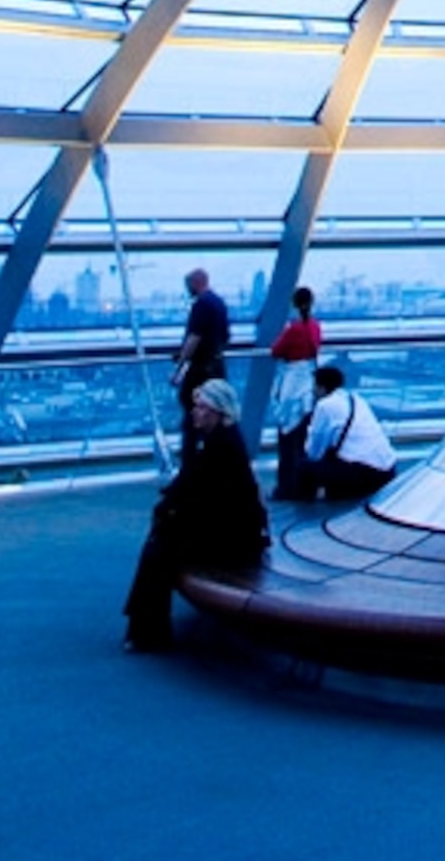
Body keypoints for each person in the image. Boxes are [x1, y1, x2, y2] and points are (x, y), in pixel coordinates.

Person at [123, 378, 270, 652]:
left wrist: (169, 511)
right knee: (159, 545)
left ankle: (148, 630)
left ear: (218, 411)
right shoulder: (218, 440)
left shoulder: (221, 447)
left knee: (159, 551)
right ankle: (147, 628)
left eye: (201, 407)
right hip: (228, 529)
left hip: (233, 539)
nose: (195, 412)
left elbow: (208, 498)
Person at [298, 365, 396, 500]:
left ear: (321, 387)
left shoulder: (325, 405)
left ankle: (304, 509)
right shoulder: (357, 399)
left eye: (314, 386)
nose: (312, 391)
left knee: (304, 467)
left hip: (363, 473)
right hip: (387, 470)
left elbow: (314, 450)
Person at [267, 285, 323, 502]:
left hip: (292, 382)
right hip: (308, 382)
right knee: (303, 437)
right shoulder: (315, 327)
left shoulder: (293, 329)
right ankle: (304, 485)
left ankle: (287, 486)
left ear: (294, 304)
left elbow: (276, 351)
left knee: (287, 436)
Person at [171, 268, 231, 443]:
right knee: (215, 412)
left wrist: (179, 368)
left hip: (201, 370)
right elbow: (226, 337)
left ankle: (191, 458)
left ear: (196, 283)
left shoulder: (201, 305)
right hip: (217, 367)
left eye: (188, 285)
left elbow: (193, 338)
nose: (187, 290)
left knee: (192, 410)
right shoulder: (219, 303)